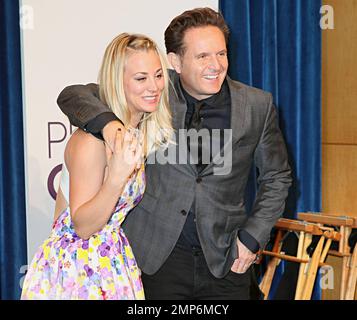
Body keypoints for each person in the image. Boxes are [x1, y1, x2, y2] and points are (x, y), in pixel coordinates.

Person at [57, 8, 292, 300]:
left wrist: (252, 237)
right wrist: (110, 127)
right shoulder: (155, 90)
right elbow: (74, 95)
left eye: (221, 53)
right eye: (203, 56)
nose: (215, 65)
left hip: (226, 261)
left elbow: (277, 177)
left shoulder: (257, 105)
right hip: (155, 261)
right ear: (176, 62)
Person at [21, 33, 173, 300]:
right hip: (77, 272)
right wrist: (115, 178)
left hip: (112, 262)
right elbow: (82, 226)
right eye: (141, 78)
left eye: (158, 75)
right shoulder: (91, 141)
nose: (154, 86)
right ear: (117, 81)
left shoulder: (133, 134)